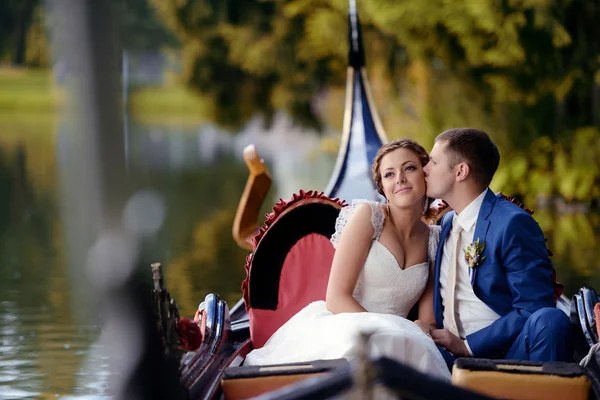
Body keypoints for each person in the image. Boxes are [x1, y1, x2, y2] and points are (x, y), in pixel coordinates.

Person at [244, 139, 451, 382]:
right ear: (382, 187)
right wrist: (385, 333)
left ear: (425, 174)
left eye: (409, 168)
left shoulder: (433, 238)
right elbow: (336, 297)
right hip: (347, 324)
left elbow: (427, 318)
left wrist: (422, 329)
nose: (400, 179)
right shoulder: (369, 217)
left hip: (401, 336)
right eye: (389, 174)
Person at [421, 128, 572, 368]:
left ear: (460, 171)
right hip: (443, 352)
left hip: (504, 353)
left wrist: (467, 345)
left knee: (550, 320)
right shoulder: (448, 222)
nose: (424, 169)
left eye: (433, 161)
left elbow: (533, 305)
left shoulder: (512, 223)